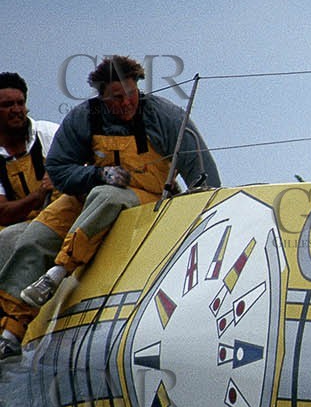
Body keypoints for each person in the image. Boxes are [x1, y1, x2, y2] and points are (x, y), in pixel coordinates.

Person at [0, 56, 219, 359]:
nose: (127, 102)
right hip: (90, 191)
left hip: (143, 197)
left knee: (109, 197)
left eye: (131, 93)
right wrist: (96, 174)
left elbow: (202, 173)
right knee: (35, 237)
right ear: (102, 96)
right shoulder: (83, 118)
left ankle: (58, 272)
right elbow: (60, 170)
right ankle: (10, 332)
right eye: (117, 97)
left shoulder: (165, 117)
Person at [0, 73, 59, 226]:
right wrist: (39, 194)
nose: (16, 110)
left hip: (61, 217)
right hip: (15, 231)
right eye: (7, 105)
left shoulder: (49, 134)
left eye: (20, 103)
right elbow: (3, 214)